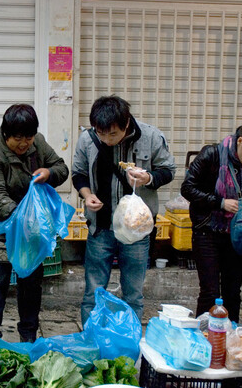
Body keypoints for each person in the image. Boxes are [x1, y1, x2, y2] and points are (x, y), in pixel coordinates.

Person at [72, 95, 176, 326]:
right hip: (100, 227)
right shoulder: (87, 139)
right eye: (101, 133)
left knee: (133, 294)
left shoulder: (151, 136)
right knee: (93, 293)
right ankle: (91, 340)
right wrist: (87, 196)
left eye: (113, 134)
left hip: (137, 231)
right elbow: (78, 173)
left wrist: (148, 177)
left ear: (126, 124)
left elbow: (168, 170)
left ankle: (128, 344)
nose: (107, 140)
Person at [0, 103, 69, 343]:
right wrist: (25, 219)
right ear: (6, 134)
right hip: (0, 229)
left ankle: (28, 337)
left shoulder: (37, 142)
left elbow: (61, 167)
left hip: (32, 231)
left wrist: (49, 173)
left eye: (28, 138)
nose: (24, 144)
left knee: (30, 284)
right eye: (18, 139)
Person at [180, 120, 242, 323]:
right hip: (207, 230)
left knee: (233, 292)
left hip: (237, 235)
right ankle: (205, 340)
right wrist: (220, 203)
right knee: (210, 292)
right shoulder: (212, 155)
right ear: (240, 141)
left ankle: (231, 339)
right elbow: (188, 187)